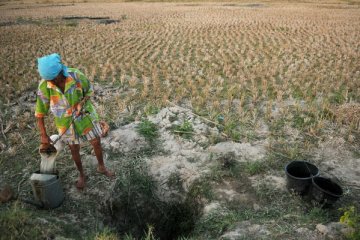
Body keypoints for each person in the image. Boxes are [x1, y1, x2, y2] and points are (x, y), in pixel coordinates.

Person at [35, 53, 114, 189]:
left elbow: (89, 91)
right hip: (65, 123)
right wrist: (43, 135)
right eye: (49, 80)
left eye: (54, 79)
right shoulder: (44, 86)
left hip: (85, 116)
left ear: (60, 72)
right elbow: (40, 113)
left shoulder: (75, 76)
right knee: (74, 148)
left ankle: (101, 167)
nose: (52, 82)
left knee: (96, 141)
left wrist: (81, 102)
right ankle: (82, 174)